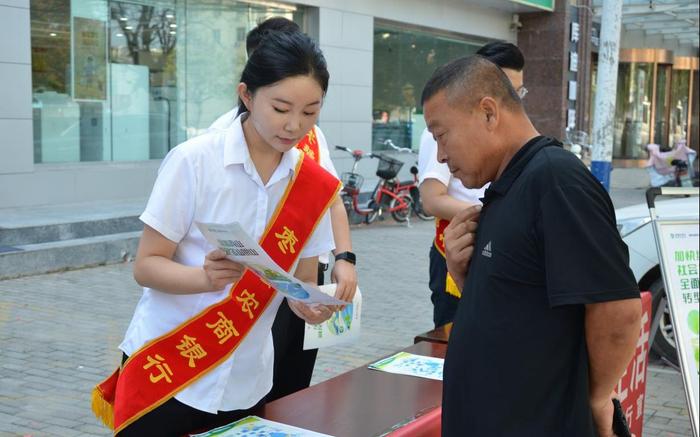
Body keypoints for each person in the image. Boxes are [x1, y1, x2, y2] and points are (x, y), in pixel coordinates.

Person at [91, 31, 341, 436]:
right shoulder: (194, 162)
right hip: (168, 367)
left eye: (311, 112)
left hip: (248, 380)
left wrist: (310, 306)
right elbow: (146, 265)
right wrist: (203, 278)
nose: (295, 125)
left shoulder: (311, 184)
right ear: (246, 95)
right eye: (281, 108)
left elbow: (303, 283)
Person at [421, 55, 642, 436]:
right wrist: (465, 272)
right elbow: (519, 301)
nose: (440, 155)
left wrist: (596, 398)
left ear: (488, 113)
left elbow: (617, 308)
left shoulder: (556, 180)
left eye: (442, 135)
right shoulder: (507, 184)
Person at [209, 17, 357, 402]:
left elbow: (330, 197)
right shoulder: (218, 140)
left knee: (293, 383)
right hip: (247, 284)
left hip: (302, 274)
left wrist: (345, 256)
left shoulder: (309, 134)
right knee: (249, 387)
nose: (294, 123)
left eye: (308, 110)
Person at [418, 41, 526, 328]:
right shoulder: (441, 131)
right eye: (504, 88)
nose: (513, 101)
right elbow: (431, 199)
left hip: (493, 245)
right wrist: (493, 214)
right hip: (458, 248)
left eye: (518, 92)